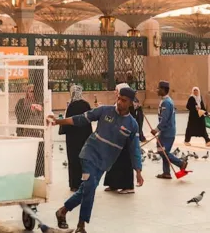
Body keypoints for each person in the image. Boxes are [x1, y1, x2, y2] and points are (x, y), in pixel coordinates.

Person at [48, 86, 143, 233]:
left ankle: (62, 211)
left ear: (130, 103)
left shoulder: (132, 124)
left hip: (104, 163)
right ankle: (81, 226)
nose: (120, 102)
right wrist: (58, 122)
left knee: (85, 189)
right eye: (119, 98)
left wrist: (138, 171)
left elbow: (135, 148)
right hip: (89, 155)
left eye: (124, 100)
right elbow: (81, 119)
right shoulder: (104, 110)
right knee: (90, 187)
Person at [150, 81, 188, 180]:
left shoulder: (166, 102)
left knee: (162, 151)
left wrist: (156, 129)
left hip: (167, 132)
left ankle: (181, 163)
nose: (157, 90)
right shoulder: (167, 100)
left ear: (163, 90)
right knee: (164, 151)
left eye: (159, 88)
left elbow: (165, 119)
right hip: (167, 131)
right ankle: (166, 173)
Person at [103, 83, 136, 194]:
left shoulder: (130, 106)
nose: (115, 92)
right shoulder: (118, 103)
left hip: (125, 138)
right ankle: (114, 184)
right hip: (115, 138)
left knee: (125, 161)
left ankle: (128, 186)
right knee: (114, 161)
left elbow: (133, 122)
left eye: (117, 90)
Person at [59, 85, 92, 192]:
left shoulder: (71, 105)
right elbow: (89, 119)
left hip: (72, 138)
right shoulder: (85, 104)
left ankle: (74, 184)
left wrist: (63, 129)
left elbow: (67, 121)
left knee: (73, 160)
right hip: (85, 136)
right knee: (85, 159)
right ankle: (85, 182)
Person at [15, 84, 44, 177]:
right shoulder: (21, 102)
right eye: (30, 91)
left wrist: (39, 109)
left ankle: (39, 173)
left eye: (34, 92)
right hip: (26, 131)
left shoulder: (39, 102)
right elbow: (19, 116)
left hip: (37, 131)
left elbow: (43, 115)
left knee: (38, 154)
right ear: (27, 92)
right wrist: (29, 110)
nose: (32, 94)